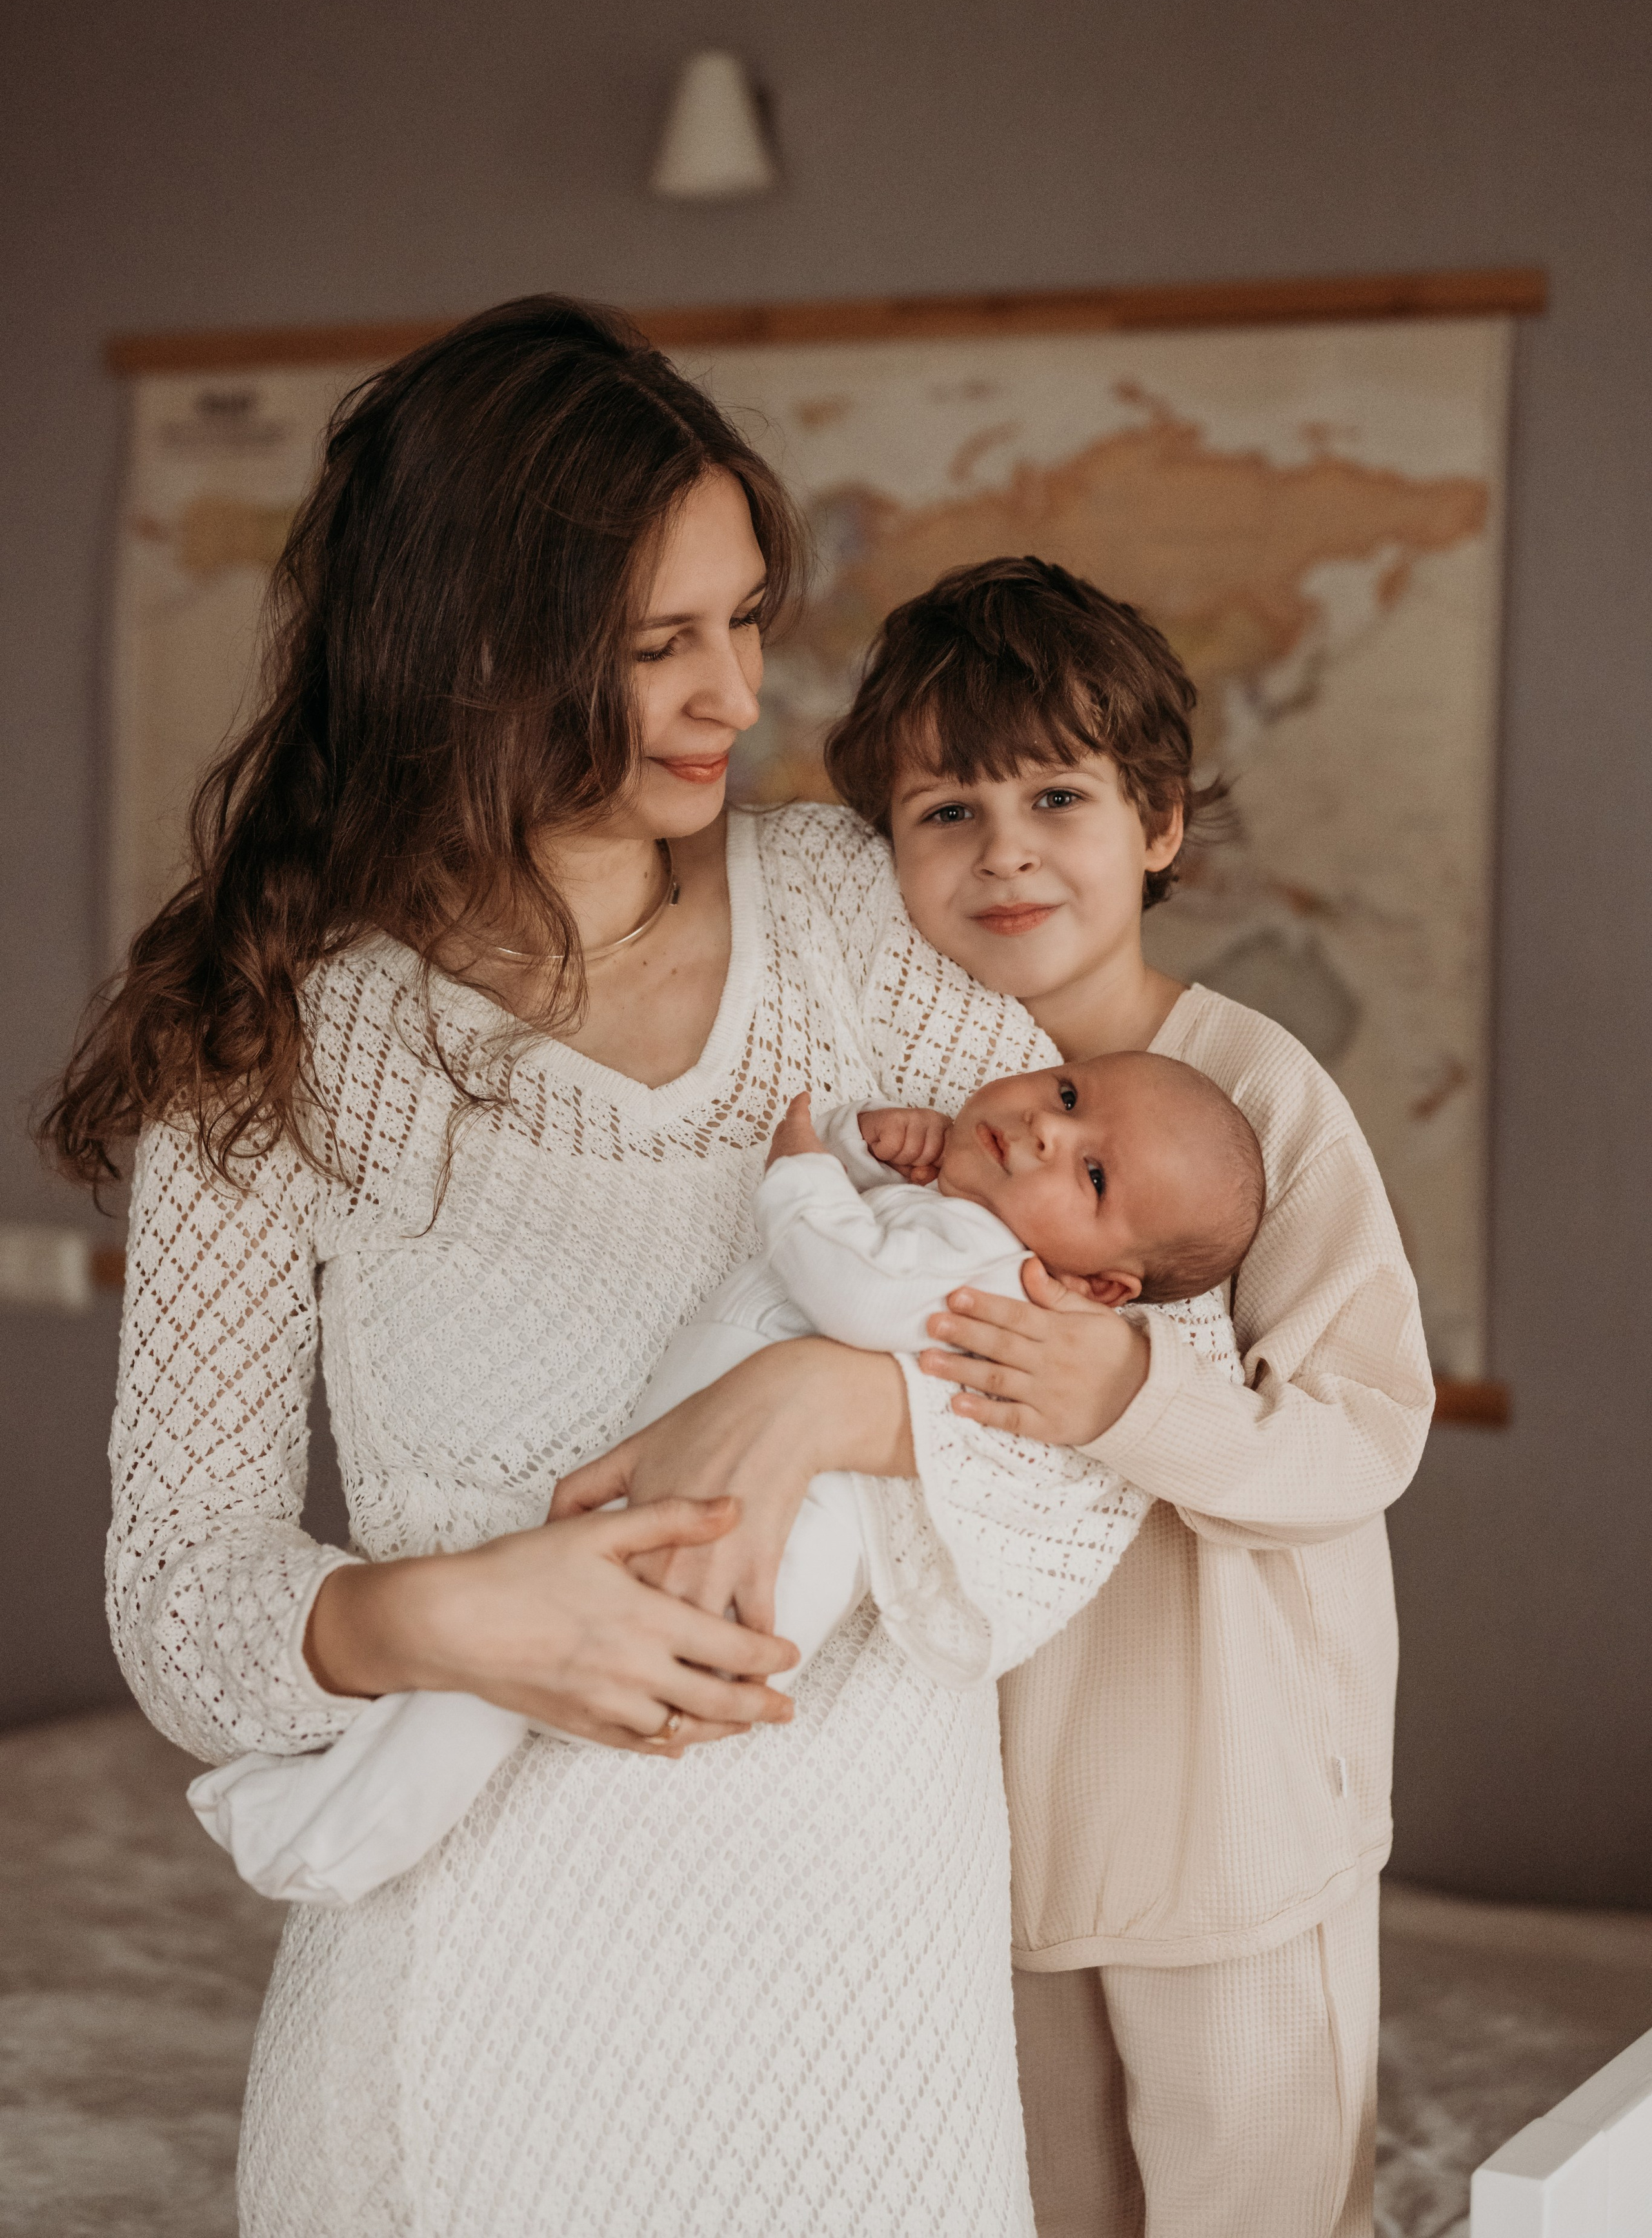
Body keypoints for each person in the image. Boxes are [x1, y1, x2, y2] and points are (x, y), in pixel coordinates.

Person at [41, 301, 1154, 2238]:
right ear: (475, 660)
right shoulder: (275, 1042)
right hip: (458, 2029)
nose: (737, 695)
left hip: (864, 2020)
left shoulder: (863, 924)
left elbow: (1094, 1455)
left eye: (742, 620)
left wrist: (845, 1397)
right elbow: (181, 1601)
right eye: (661, 648)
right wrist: (442, 1623)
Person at [816, 556, 1436, 2238]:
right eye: (944, 807)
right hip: (990, 1824)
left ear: (1157, 823)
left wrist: (1128, 1394)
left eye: (1056, 795)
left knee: (1254, 2194)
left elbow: (1363, 1428)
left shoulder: (1256, 1088)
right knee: (1034, 2196)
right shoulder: (915, 1109)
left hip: (1230, 1800)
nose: (1003, 847)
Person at [187, 1054, 1258, 1908]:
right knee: (486, 1683)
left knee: (493, 1685)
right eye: (1068, 1096)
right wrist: (880, 1142)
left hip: (749, 1555)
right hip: (705, 1516)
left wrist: (804, 1170)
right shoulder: (962, 1211)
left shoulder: (1003, 1278)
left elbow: (860, 1294)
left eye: (1093, 1174)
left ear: (1099, 1284)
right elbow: (893, 1224)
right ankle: (318, 1815)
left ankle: (318, 1839)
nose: (1045, 1130)